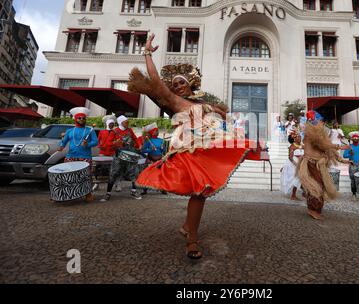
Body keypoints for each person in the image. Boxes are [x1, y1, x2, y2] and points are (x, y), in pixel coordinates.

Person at [127, 33, 259, 259]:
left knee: (203, 191)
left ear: (190, 84)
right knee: (199, 191)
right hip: (187, 148)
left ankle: (189, 228)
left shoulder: (202, 102)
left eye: (182, 82)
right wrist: (147, 53)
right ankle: (192, 239)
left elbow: (224, 115)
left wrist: (221, 116)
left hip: (207, 147)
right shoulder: (173, 101)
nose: (177, 86)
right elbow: (155, 79)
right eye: (175, 83)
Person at [296, 111, 340, 220]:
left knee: (320, 186)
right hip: (311, 163)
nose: (323, 123)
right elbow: (323, 145)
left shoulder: (316, 132)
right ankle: (312, 210)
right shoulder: (312, 132)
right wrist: (339, 146)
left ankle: (315, 209)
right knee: (316, 187)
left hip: (317, 163)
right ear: (315, 121)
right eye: (321, 121)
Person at [57, 107, 98, 202]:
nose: (82, 120)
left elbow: (95, 142)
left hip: (85, 157)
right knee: (68, 176)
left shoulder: (90, 130)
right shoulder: (70, 131)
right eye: (79, 118)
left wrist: (88, 144)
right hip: (71, 156)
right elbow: (64, 142)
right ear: (75, 119)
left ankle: (88, 193)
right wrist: (61, 146)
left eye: (83, 118)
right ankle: (67, 193)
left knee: (86, 176)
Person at [100, 115, 143, 202]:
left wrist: (139, 145)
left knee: (134, 173)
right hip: (118, 156)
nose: (128, 123)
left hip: (130, 155)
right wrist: (116, 143)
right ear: (121, 122)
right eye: (126, 122)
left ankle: (133, 191)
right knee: (113, 173)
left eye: (128, 121)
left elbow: (135, 139)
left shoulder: (130, 130)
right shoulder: (114, 131)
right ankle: (108, 193)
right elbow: (108, 144)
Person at [280, 131, 303, 200]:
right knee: (296, 179)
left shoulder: (301, 145)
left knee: (299, 179)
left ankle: (304, 192)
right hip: (292, 164)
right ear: (295, 139)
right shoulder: (292, 147)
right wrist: (297, 164)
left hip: (300, 163)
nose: (300, 138)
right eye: (299, 137)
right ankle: (293, 195)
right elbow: (290, 157)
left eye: (300, 137)